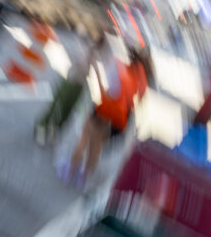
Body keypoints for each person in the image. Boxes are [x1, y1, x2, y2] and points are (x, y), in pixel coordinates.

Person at [64, 46, 151, 189]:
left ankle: (70, 171)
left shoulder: (121, 69)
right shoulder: (142, 78)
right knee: (96, 145)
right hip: (119, 118)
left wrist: (97, 74)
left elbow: (105, 90)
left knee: (85, 139)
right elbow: (139, 100)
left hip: (104, 110)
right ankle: (83, 176)